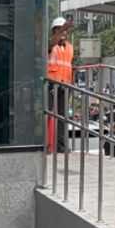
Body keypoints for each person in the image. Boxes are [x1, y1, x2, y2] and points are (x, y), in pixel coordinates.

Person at [46, 16, 75, 153]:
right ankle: (44, 145)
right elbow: (52, 43)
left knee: (63, 117)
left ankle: (61, 146)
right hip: (51, 85)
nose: (63, 32)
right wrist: (63, 27)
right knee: (47, 115)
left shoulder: (70, 47)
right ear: (54, 32)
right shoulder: (51, 45)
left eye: (64, 30)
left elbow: (69, 66)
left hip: (65, 85)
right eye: (59, 30)